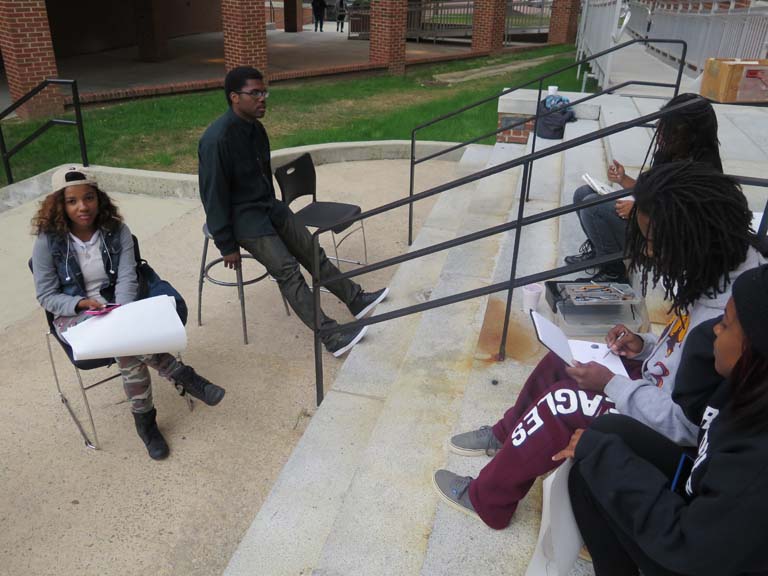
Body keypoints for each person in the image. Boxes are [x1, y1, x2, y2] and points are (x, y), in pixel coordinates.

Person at [432, 161, 766, 530]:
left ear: (690, 237)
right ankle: (506, 434)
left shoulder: (730, 312)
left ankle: (488, 501)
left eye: (653, 242)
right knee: (565, 358)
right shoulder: (717, 270)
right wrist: (643, 346)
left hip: (669, 438)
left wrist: (611, 384)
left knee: (564, 401)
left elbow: (686, 425)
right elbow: (680, 353)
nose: (651, 254)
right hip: (653, 389)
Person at [562, 263, 768, 576]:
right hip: (704, 495)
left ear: (752, 353)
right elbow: (692, 403)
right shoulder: (746, 386)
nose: (713, 329)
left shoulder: (756, 468)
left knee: (596, 460)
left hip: (694, 554)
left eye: (725, 325)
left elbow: (688, 548)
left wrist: (609, 458)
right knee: (601, 442)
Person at [31, 166, 225, 460]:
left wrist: (119, 312)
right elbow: (47, 296)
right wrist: (81, 304)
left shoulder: (117, 230)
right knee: (125, 341)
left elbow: (127, 277)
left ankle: (146, 424)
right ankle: (180, 375)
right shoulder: (47, 242)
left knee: (124, 344)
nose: (82, 207)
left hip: (118, 304)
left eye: (88, 198)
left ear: (99, 198)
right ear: (60, 204)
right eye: (72, 201)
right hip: (75, 314)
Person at [198, 66, 388, 357]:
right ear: (234, 97)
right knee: (288, 271)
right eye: (255, 93)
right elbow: (212, 196)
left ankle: (356, 300)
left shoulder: (256, 129)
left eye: (265, 92)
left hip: (268, 206)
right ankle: (331, 335)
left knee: (313, 251)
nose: (263, 98)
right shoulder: (216, 140)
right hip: (243, 218)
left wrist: (275, 209)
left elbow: (261, 174)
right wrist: (226, 244)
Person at [564, 93, 723, 283]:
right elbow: (650, 190)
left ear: (690, 134)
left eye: (668, 129)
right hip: (647, 220)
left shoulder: (702, 170)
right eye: (661, 126)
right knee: (582, 194)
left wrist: (639, 211)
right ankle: (600, 253)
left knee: (593, 207)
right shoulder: (671, 153)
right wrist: (624, 179)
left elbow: (683, 221)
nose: (660, 133)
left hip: (661, 239)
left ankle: (613, 271)